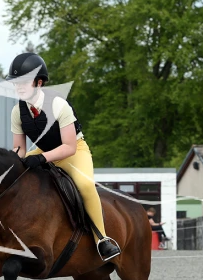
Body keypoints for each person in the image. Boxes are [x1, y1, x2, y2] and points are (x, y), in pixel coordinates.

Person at [7, 52, 120, 261]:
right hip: (43, 150)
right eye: (16, 83)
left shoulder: (58, 104)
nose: (18, 87)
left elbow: (69, 146)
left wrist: (41, 159)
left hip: (74, 151)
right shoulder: (17, 112)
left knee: (85, 185)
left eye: (23, 82)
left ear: (39, 82)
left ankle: (102, 239)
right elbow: (19, 149)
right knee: (13, 174)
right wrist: (12, 162)